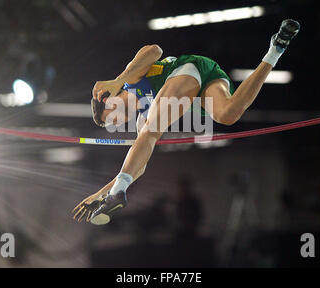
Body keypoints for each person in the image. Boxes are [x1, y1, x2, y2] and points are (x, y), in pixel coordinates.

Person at [73, 19, 300, 225]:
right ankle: (275, 51)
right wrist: (100, 194)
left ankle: (117, 193)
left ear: (109, 99)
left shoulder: (131, 79)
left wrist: (118, 80)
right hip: (204, 86)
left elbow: (154, 50)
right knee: (228, 115)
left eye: (111, 115)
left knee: (150, 131)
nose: (117, 121)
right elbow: (138, 166)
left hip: (186, 71)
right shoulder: (144, 118)